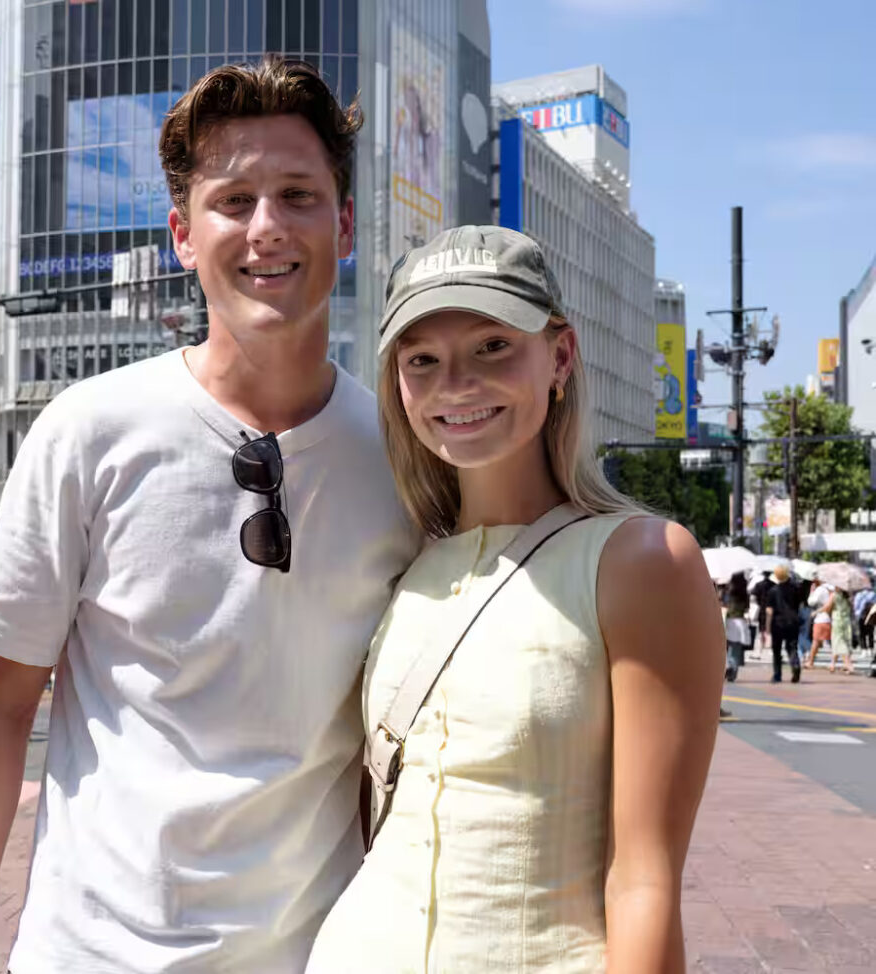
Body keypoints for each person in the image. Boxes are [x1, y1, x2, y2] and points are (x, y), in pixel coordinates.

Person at [0, 59, 418, 974]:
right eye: (232, 201)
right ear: (182, 236)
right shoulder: (88, 430)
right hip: (93, 949)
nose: (266, 227)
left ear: (345, 224)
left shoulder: (404, 452)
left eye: (299, 195)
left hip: (322, 950)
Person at [306, 226, 724, 973]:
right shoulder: (406, 565)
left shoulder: (639, 560)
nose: (455, 386)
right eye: (422, 361)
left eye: (492, 347)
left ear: (560, 355)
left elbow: (645, 879)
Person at [764, 564, 803, 683]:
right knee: (792, 647)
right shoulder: (796, 588)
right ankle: (795, 665)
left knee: (776, 650)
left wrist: (767, 627)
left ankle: (777, 674)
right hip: (793, 622)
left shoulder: (772, 591)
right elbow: (800, 605)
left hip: (778, 623)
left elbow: (769, 611)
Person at [723, 571, 751, 682]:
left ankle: (727, 666)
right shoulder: (744, 592)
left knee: (726, 646)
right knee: (736, 648)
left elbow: (724, 604)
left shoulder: (729, 591)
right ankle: (733, 670)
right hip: (740, 621)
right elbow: (747, 608)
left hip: (729, 620)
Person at [805, 579, 833, 668]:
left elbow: (811, 602)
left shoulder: (820, 589)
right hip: (831, 618)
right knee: (832, 642)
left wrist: (811, 592)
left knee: (816, 641)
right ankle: (834, 662)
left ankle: (811, 661)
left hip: (821, 618)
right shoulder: (832, 589)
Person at [828, 586, 855, 674]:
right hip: (846, 621)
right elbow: (852, 608)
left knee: (839, 642)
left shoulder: (834, 595)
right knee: (842, 641)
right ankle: (833, 664)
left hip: (837, 620)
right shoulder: (848, 596)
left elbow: (828, 607)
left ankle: (848, 665)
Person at [852, 585, 875, 652]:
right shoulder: (873, 594)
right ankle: (871, 648)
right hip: (870, 615)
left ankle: (864, 649)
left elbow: (856, 607)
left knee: (862, 633)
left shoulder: (859, 595)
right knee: (871, 633)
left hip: (861, 616)